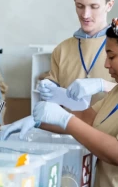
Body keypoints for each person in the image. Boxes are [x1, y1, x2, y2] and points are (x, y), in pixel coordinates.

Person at [1, 0, 115, 140]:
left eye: (94, 6)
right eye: (80, 6)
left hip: (109, 143)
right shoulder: (62, 50)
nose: (85, 14)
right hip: (68, 140)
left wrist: (102, 85)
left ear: (109, 5)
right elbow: (56, 107)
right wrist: (48, 90)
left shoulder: (115, 45)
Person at [31, 20, 118, 187]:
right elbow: (87, 118)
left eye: (112, 56)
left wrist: (65, 120)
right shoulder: (115, 93)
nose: (106, 64)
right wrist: (37, 120)